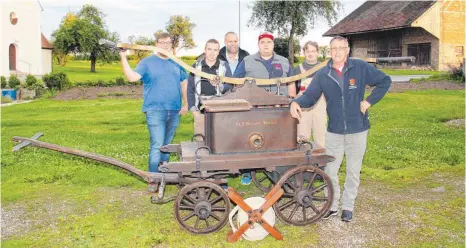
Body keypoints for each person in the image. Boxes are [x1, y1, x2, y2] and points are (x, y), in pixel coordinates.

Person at [290, 36, 391, 222]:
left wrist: (369, 101)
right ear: (329, 51)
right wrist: (296, 102)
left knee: (353, 171)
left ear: (347, 50)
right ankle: (333, 205)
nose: (337, 52)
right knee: (330, 170)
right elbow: (310, 96)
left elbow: (385, 81)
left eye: (341, 48)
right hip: (334, 131)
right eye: (333, 48)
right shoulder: (323, 73)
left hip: (358, 129)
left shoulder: (359, 67)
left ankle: (348, 206)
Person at [120, 32, 188, 192]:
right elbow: (132, 77)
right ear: (155, 44)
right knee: (157, 145)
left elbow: (184, 82)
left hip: (174, 110)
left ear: (171, 44)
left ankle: (164, 176)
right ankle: (153, 179)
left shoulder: (176, 62)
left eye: (168, 42)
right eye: (162, 42)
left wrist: (186, 103)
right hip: (155, 110)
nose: (165, 45)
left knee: (167, 146)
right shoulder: (147, 62)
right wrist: (123, 57)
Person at [234, 31, 296, 185]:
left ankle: (279, 171)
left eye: (269, 42)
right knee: (250, 140)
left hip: (278, 108)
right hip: (253, 109)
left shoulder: (283, 61)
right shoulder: (247, 61)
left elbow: (292, 82)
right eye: (263, 42)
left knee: (277, 139)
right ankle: (247, 172)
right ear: (258, 45)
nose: (266, 45)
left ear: (273, 44)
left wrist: (292, 101)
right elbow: (235, 82)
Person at [188, 39, 233, 136]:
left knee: (220, 138)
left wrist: (219, 86)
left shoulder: (224, 66)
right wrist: (193, 109)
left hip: (220, 111)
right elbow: (190, 89)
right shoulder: (196, 66)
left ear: (218, 52)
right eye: (209, 49)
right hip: (200, 110)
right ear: (205, 50)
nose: (212, 53)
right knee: (201, 139)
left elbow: (230, 86)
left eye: (215, 50)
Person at [293, 41, 327, 148]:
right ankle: (303, 160)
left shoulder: (325, 68)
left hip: (320, 104)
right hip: (303, 106)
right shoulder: (297, 69)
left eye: (313, 51)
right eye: (308, 51)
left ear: (317, 52)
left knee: (321, 132)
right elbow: (292, 89)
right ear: (304, 53)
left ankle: (321, 161)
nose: (311, 54)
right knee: (302, 136)